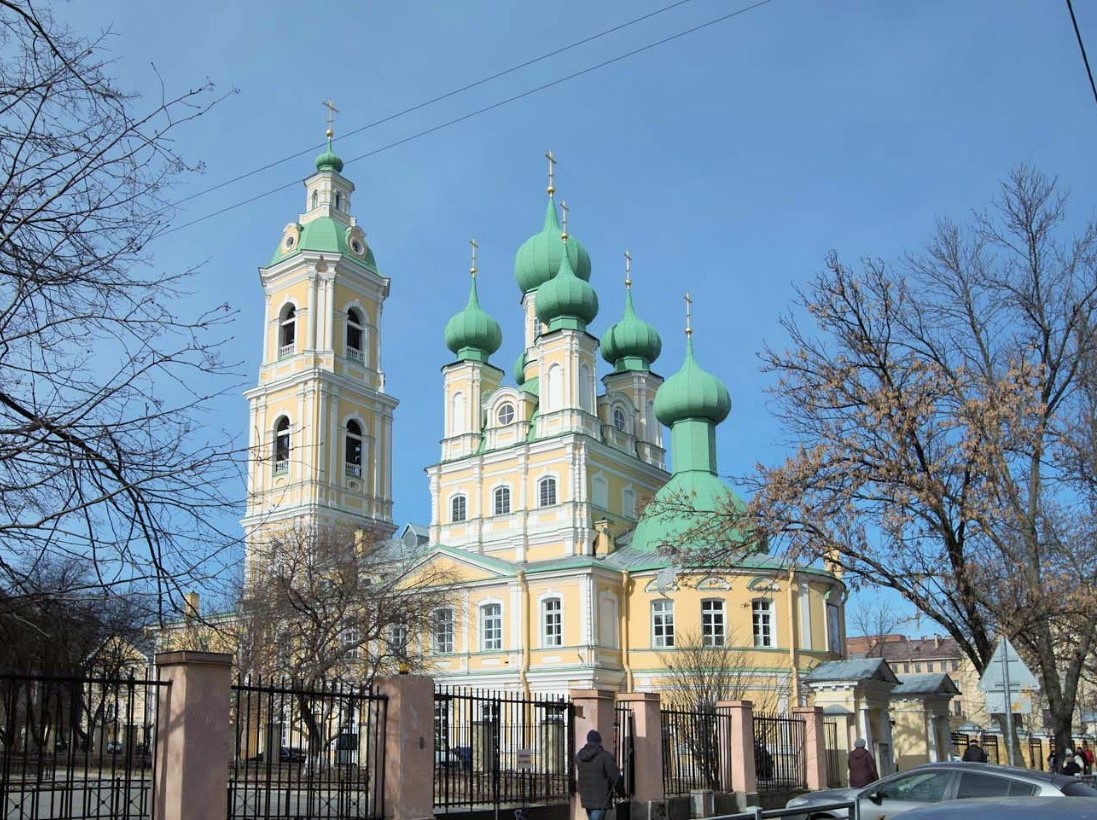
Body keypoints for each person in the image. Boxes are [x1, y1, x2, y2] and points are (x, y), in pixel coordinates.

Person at [576, 729, 620, 820]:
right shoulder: (605, 757)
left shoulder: (580, 756)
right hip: (601, 800)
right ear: (600, 741)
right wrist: (621, 791)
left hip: (586, 798)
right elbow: (615, 777)